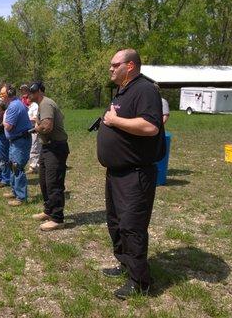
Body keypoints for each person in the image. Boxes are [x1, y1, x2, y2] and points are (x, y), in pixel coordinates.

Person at [97, 48, 165, 299]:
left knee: (132, 226)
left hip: (135, 174)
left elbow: (150, 126)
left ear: (131, 66)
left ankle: (141, 283)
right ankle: (125, 264)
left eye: (115, 65)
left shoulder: (145, 90)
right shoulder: (123, 91)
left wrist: (115, 122)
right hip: (116, 172)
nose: (111, 69)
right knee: (115, 223)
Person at [27, 81, 69, 231]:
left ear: (39, 91)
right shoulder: (41, 105)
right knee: (44, 181)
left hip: (55, 147)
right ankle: (48, 211)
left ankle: (57, 218)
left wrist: (35, 128)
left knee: (53, 182)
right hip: (48, 147)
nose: (29, 94)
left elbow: (46, 126)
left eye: (32, 91)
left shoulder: (46, 103)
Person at [1, 84, 33, 206]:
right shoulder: (15, 104)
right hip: (15, 141)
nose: (1, 97)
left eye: (2, 94)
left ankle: (21, 197)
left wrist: (4, 120)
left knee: (17, 167)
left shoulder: (14, 106)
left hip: (20, 141)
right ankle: (15, 192)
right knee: (12, 166)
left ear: (8, 94)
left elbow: (9, 126)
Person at [22, 84, 41, 174]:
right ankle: (33, 165)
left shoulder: (35, 106)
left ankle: (34, 167)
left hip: (34, 128)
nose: (26, 99)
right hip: (29, 129)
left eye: (27, 98)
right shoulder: (29, 106)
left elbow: (36, 118)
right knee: (31, 147)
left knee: (34, 147)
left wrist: (27, 119)